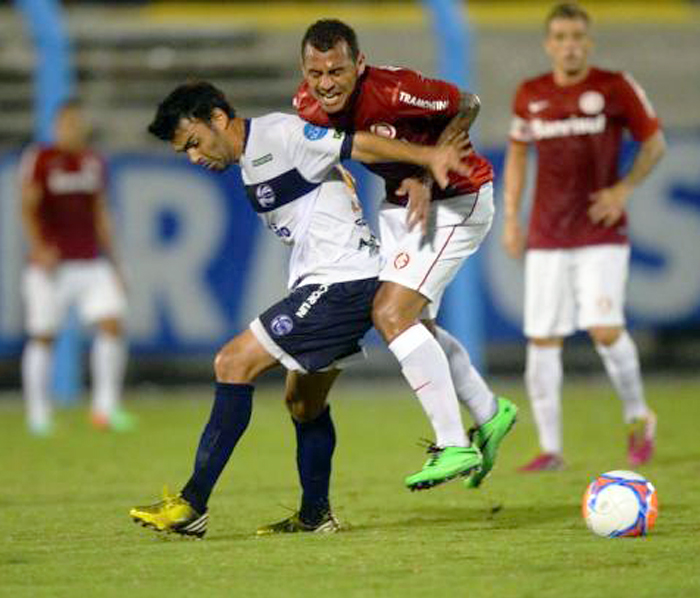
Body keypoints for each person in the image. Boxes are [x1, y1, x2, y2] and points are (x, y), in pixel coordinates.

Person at [129, 81, 472, 537]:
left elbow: (356, 145)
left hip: (341, 283)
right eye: (184, 153)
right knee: (303, 402)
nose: (195, 157)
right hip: (339, 282)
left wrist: (427, 159)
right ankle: (315, 516)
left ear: (217, 117)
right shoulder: (253, 158)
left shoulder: (279, 135)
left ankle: (191, 506)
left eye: (193, 143)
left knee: (232, 362)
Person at [295, 19, 517, 491]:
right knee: (417, 325)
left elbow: (468, 102)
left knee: (390, 313)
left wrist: (430, 169)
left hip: (458, 197)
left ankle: (453, 443)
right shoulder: (307, 107)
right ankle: (488, 411)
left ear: (359, 63)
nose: (326, 84)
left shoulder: (397, 91)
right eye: (316, 73)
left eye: (337, 70)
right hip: (401, 203)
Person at [501, 2, 666, 471]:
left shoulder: (614, 87)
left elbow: (654, 143)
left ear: (588, 42)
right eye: (561, 37)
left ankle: (638, 416)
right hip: (548, 235)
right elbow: (515, 158)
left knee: (605, 330)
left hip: (600, 233)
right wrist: (511, 218)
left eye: (577, 36)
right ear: (548, 44)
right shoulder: (530, 94)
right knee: (543, 340)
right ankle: (551, 449)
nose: (569, 44)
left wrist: (623, 189)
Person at [19, 99, 132, 435]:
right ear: (56, 126)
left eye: (77, 123)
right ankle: (38, 415)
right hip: (50, 265)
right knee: (43, 335)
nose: (72, 129)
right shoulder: (40, 158)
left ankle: (105, 408)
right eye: (67, 123)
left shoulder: (93, 162)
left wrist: (115, 262)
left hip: (89, 261)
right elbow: (27, 205)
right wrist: (39, 248)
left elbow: (100, 213)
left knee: (112, 322)